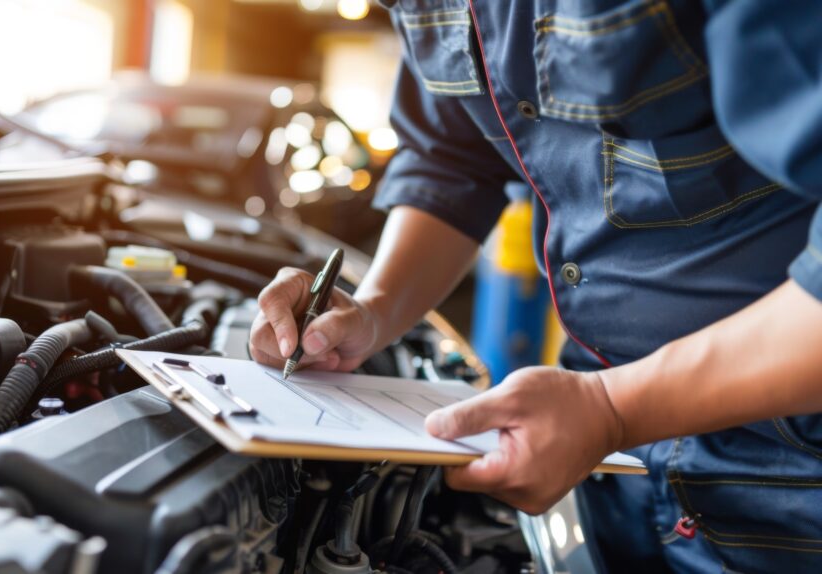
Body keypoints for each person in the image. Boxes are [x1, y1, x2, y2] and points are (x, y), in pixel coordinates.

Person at [249, 1, 822, 572]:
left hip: (789, 477)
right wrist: (373, 311)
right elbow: (450, 161)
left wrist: (613, 408)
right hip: (608, 466)